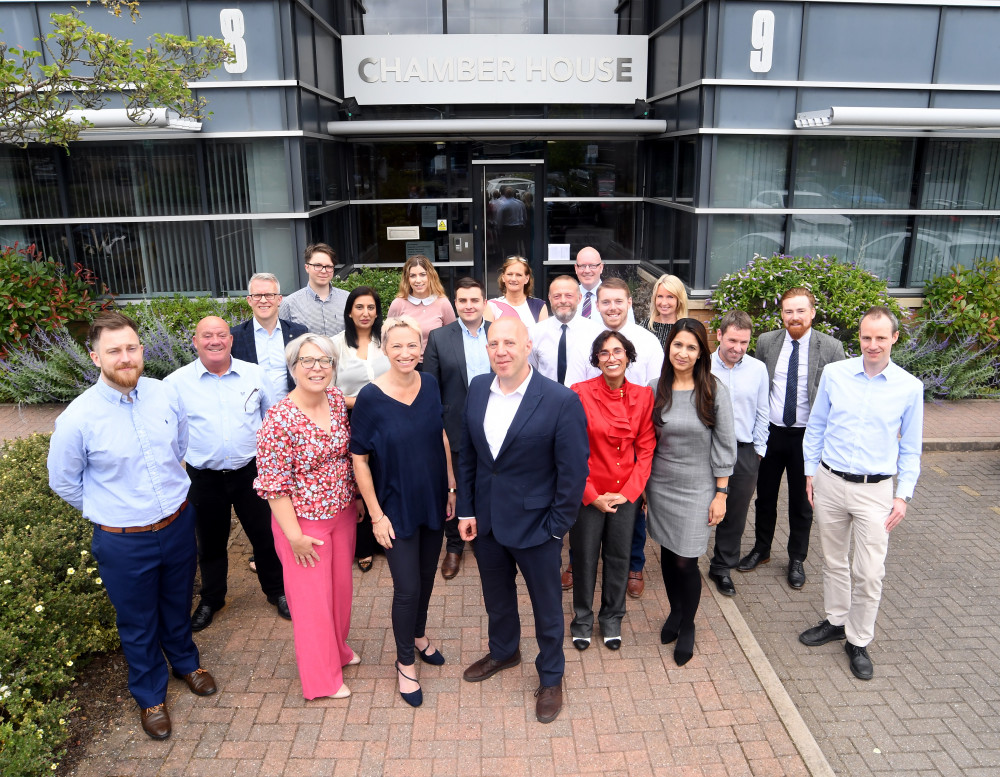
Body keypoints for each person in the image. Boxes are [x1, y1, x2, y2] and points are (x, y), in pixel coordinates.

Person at [47, 311, 217, 741]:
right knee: (138, 621)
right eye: (114, 351)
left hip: (178, 524)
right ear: (94, 357)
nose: (125, 358)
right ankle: (149, 694)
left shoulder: (165, 395)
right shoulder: (77, 419)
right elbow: (64, 481)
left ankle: (185, 662)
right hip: (124, 541)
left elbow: (179, 445)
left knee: (178, 601)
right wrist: (113, 511)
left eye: (131, 347)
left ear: (142, 350)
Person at [457, 318, 589, 724]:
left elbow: (573, 472)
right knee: (497, 598)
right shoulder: (478, 387)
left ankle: (551, 676)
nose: (501, 350)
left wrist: (556, 527)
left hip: (537, 527)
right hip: (489, 522)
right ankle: (504, 651)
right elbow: (469, 455)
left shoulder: (559, 400)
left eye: (509, 342)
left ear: (528, 345)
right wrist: (466, 508)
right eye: (493, 343)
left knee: (547, 608)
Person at [798, 307, 923, 681]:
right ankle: (837, 620)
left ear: (894, 338)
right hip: (830, 482)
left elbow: (911, 449)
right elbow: (816, 425)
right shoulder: (835, 374)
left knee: (869, 573)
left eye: (881, 338)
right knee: (834, 560)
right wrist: (809, 472)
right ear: (860, 337)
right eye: (867, 337)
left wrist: (903, 495)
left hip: (876, 491)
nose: (872, 344)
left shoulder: (909, 387)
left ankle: (859, 640)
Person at [351, 316, 456, 708]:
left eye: (412, 345)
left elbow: (440, 436)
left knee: (426, 579)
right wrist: (376, 516)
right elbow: (359, 459)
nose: (405, 353)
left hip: (431, 497)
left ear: (421, 347)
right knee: (407, 587)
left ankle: (419, 634)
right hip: (394, 506)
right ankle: (405, 661)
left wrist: (450, 486)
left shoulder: (429, 384)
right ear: (384, 349)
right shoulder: (370, 398)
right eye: (397, 346)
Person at [163, 317, 289, 631]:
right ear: (195, 342)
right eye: (207, 336)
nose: (215, 341)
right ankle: (212, 598)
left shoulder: (255, 374)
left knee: (265, 537)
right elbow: (168, 432)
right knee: (210, 543)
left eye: (221, 335)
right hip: (203, 478)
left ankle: (277, 591)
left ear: (231, 340)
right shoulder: (176, 383)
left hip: (251, 473)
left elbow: (272, 421)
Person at [254, 334, 359, 701]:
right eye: (307, 361)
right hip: (303, 525)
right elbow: (273, 485)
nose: (317, 368)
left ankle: (339, 651)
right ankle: (321, 680)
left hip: (342, 514)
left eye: (324, 361)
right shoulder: (279, 420)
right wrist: (294, 536)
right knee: (312, 605)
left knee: (340, 593)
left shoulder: (332, 398)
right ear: (292, 367)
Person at [739, 287, 846, 590]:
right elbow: (760, 385)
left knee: (802, 501)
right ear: (782, 314)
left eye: (801, 311)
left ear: (812, 312)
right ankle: (761, 550)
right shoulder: (766, 343)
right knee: (765, 497)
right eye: (788, 311)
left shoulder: (832, 347)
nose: (794, 317)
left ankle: (797, 558)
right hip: (772, 433)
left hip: (807, 438)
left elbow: (837, 397)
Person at [646, 318, 736, 666]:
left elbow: (726, 445)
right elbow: (648, 442)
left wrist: (721, 494)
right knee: (668, 554)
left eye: (691, 347)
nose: (682, 353)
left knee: (686, 560)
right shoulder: (656, 388)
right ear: (669, 348)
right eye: (678, 345)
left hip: (699, 487)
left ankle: (688, 624)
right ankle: (674, 611)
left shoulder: (713, 391)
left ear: (701, 353)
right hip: (661, 485)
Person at [569, 331, 655, 652]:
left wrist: (631, 492)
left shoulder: (644, 397)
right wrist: (590, 494)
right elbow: (572, 451)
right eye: (603, 353)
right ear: (596, 360)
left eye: (617, 351)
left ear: (629, 356)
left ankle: (612, 619)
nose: (611, 358)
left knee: (619, 557)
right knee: (585, 557)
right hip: (589, 494)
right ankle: (581, 620)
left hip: (625, 495)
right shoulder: (579, 393)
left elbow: (646, 449)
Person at [596, 276, 664, 598]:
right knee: (588, 510)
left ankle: (634, 564)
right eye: (605, 301)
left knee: (633, 507)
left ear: (628, 303)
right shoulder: (588, 338)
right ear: (597, 305)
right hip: (596, 440)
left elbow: (656, 391)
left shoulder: (649, 342)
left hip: (635, 440)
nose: (612, 307)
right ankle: (575, 562)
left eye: (618, 301)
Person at [422, 278, 493, 580]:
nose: (468, 306)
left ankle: (483, 539)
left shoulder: (498, 333)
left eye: (474, 300)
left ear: (483, 302)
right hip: (453, 425)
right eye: (462, 301)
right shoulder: (440, 337)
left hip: (494, 421)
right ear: (455, 303)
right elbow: (430, 385)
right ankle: (454, 546)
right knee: (454, 483)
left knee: (487, 480)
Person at [707, 311, 770, 597]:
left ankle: (722, 567)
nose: (738, 348)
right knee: (702, 506)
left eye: (744, 342)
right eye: (732, 340)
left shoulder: (757, 369)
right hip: (706, 451)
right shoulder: (702, 366)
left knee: (735, 514)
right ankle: (686, 558)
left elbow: (762, 411)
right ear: (719, 335)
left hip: (743, 452)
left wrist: (758, 450)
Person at [330, 286, 391, 573]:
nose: (365, 313)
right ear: (349, 312)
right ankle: (363, 545)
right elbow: (327, 391)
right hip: (351, 418)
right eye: (359, 307)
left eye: (370, 307)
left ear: (378, 312)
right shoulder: (335, 345)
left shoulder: (387, 341)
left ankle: (387, 536)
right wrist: (362, 399)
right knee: (357, 479)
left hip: (388, 418)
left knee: (386, 475)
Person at [231, 272, 307, 402]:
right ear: (249, 300)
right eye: (257, 295)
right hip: (252, 412)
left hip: (293, 411)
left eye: (269, 295)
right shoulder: (235, 336)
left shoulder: (299, 333)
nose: (263, 300)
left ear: (279, 299)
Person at [528, 275, 602, 388]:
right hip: (547, 399)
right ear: (550, 298)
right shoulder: (535, 333)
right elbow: (532, 370)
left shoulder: (596, 333)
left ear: (579, 298)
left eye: (569, 296)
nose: (563, 301)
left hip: (584, 401)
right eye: (557, 296)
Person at [386, 254, 457, 358]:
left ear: (431, 276)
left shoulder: (443, 303)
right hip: (406, 362)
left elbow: (452, 337)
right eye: (413, 276)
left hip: (436, 363)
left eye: (423, 274)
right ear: (407, 279)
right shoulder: (398, 304)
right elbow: (388, 338)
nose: (418, 280)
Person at [278, 243, 351, 336]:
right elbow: (284, 339)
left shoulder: (347, 298)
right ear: (307, 268)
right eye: (318, 265)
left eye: (328, 266)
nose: (324, 271)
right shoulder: (289, 304)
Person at [574, 246, 634, 324]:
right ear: (576, 268)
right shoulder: (568, 297)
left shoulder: (618, 296)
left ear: (601, 267)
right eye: (582, 266)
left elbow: (628, 330)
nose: (587, 270)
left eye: (592, 266)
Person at [486, 255, 549, 325]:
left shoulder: (539, 306)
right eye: (509, 274)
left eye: (519, 275)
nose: (513, 279)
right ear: (503, 277)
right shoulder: (491, 305)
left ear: (527, 279)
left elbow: (544, 335)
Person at [643, 274, 689, 349]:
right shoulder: (645, 326)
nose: (664, 303)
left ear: (679, 300)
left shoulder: (687, 329)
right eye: (660, 296)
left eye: (670, 297)